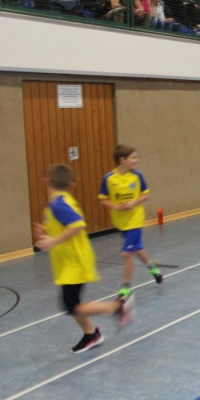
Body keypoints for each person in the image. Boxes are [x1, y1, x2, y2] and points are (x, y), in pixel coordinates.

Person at [34, 164, 135, 353]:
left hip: (74, 262)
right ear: (71, 185)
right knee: (72, 303)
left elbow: (77, 225)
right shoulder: (61, 201)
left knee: (71, 306)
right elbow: (64, 225)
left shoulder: (58, 204)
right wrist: (46, 232)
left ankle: (116, 308)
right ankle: (91, 334)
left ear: (46, 181)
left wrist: (53, 240)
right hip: (69, 261)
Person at [98, 145, 162, 300]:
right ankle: (152, 267)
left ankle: (126, 287)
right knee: (137, 248)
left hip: (135, 220)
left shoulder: (137, 176)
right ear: (122, 160)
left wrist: (133, 203)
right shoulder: (109, 179)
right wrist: (115, 207)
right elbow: (102, 199)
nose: (136, 160)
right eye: (133, 158)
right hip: (121, 221)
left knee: (126, 253)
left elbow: (145, 194)